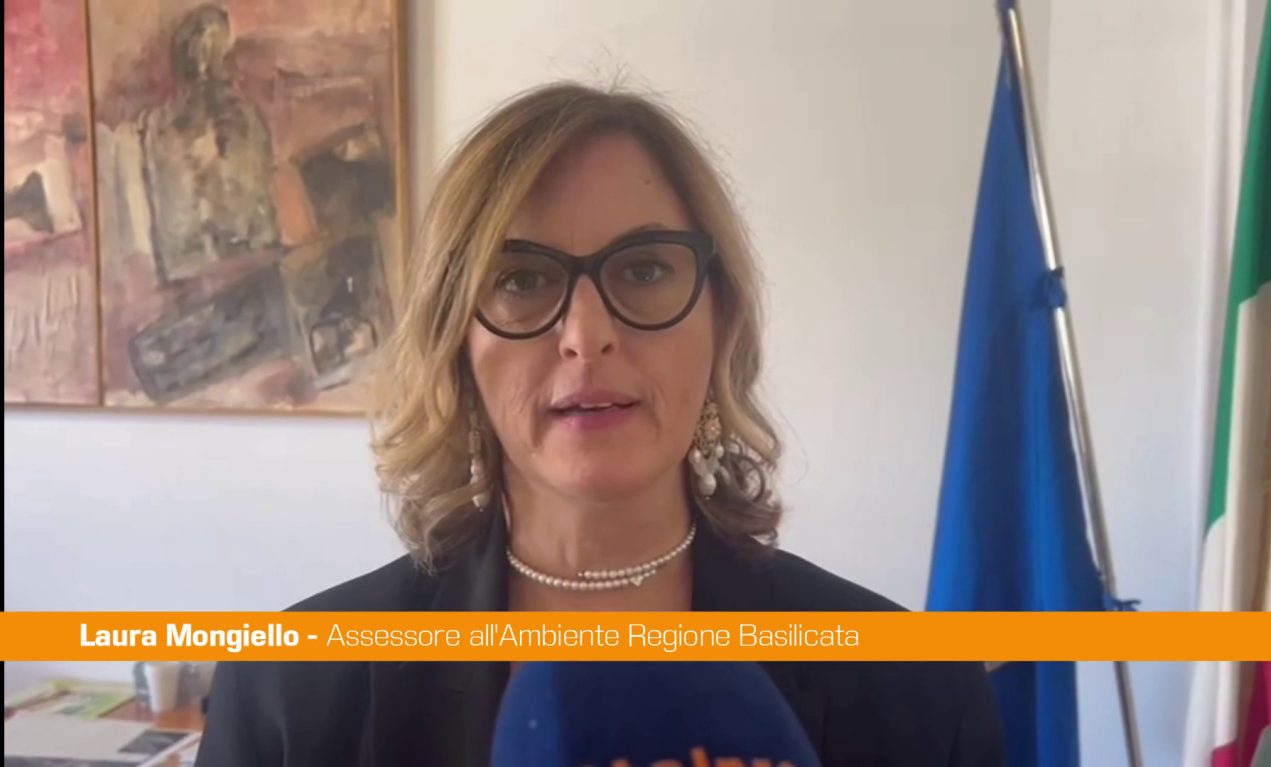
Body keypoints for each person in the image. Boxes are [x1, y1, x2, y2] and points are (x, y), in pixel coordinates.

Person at [197, 82, 1003, 766]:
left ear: (721, 320)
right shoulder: (289, 686)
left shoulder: (919, 687)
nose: (587, 335)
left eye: (645, 268)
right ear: (456, 342)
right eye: (521, 279)